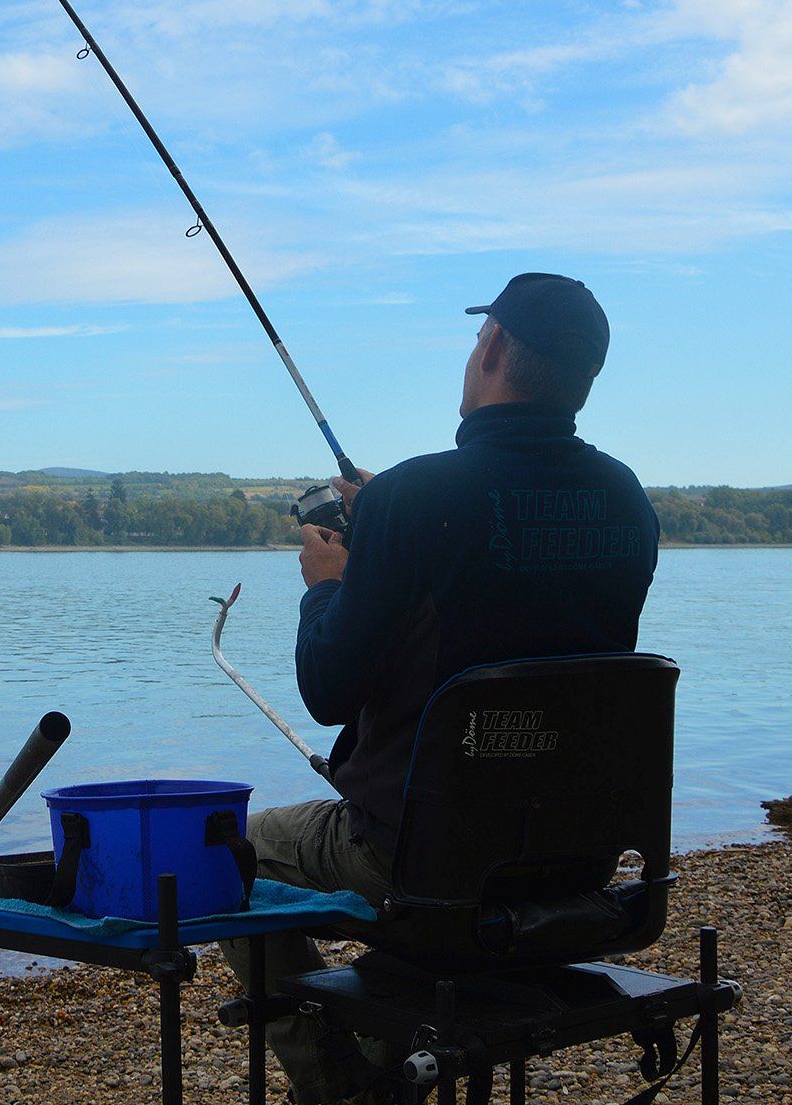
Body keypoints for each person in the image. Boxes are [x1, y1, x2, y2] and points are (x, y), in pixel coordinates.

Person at [219, 273, 660, 1105]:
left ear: (490, 347)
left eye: (476, 341)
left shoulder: (415, 497)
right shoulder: (624, 499)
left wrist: (326, 580)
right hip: (573, 857)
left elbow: (324, 689)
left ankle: (333, 1083)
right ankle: (385, 1061)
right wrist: (384, 517)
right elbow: (515, 574)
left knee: (222, 849)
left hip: (421, 860)